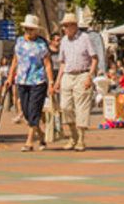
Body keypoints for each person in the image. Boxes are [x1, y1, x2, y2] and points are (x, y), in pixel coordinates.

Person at [56, 14, 103, 152]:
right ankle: (73, 135)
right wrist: (58, 80)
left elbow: (94, 58)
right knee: (65, 107)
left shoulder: (85, 38)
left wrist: (90, 76)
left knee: (81, 107)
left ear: (74, 26)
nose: (65, 28)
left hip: (82, 74)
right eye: (63, 26)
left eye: (67, 25)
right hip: (67, 75)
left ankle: (81, 139)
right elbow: (62, 62)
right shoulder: (64, 41)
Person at [7, 14, 53, 152]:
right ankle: (41, 135)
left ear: (37, 30)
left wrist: (51, 82)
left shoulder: (41, 44)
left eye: (31, 29)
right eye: (27, 29)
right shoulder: (19, 42)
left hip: (38, 81)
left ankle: (29, 141)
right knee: (26, 112)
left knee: (34, 110)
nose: (29, 31)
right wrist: (10, 77)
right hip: (22, 80)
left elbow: (47, 64)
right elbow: (15, 61)